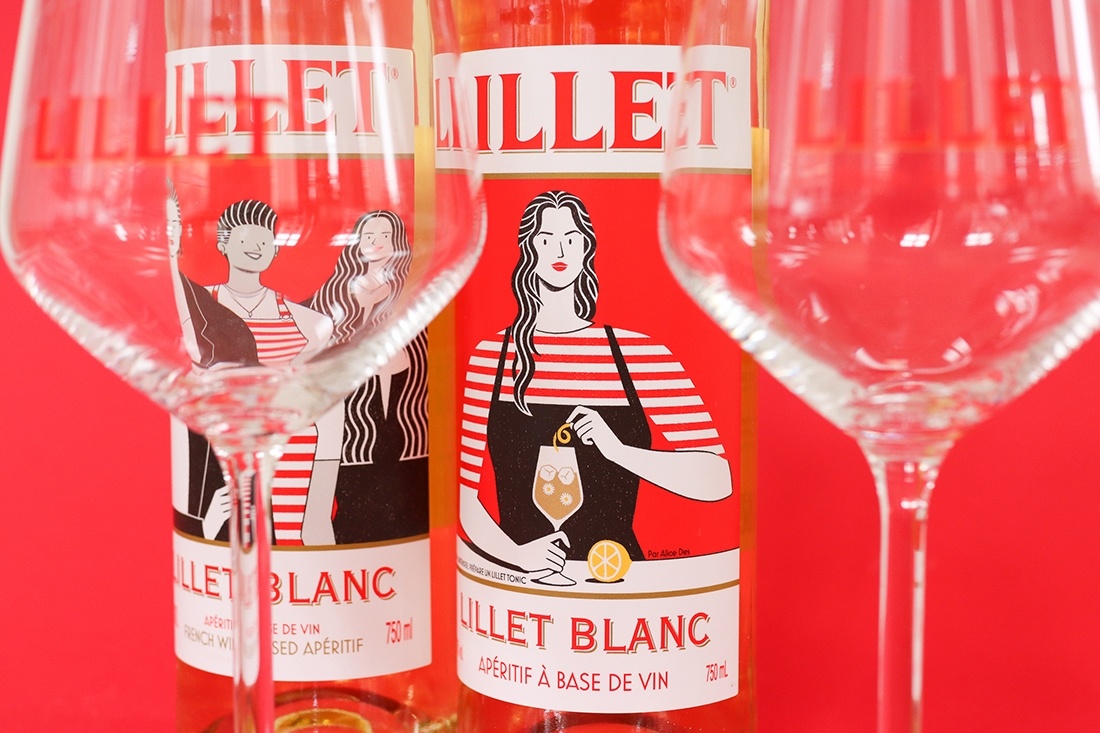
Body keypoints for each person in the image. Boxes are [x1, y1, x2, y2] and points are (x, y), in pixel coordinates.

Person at [459, 190, 733, 583]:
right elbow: (467, 498)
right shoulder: (493, 356)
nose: (559, 250)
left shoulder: (637, 353)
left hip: (619, 578)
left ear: (586, 247)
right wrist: (517, 556)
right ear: (528, 248)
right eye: (545, 239)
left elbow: (717, 479)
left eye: (571, 239)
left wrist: (619, 452)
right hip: (518, 580)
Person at [300, 210, 430, 546]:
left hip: (409, 429)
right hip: (354, 437)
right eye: (368, 236)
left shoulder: (414, 292)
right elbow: (306, 342)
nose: (376, 243)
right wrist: (362, 307)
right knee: (354, 517)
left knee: (408, 515)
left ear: (397, 241)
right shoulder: (335, 295)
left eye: (384, 235)